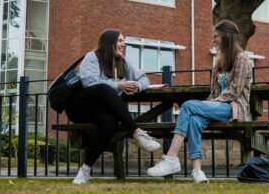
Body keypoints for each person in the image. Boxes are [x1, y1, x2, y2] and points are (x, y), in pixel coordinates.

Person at [147, 20, 252, 183]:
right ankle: (197, 171)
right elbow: (214, 92)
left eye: (216, 36)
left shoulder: (242, 59)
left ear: (227, 36)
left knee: (188, 106)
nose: (213, 39)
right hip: (217, 106)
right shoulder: (219, 63)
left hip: (233, 108)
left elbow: (234, 91)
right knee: (194, 120)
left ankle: (171, 158)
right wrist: (209, 104)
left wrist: (212, 104)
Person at [66, 28, 161, 184]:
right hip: (81, 107)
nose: (123, 44)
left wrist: (137, 86)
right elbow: (89, 81)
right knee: (104, 88)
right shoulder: (92, 57)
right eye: (120, 40)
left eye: (124, 41)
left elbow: (145, 79)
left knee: (109, 122)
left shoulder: (122, 62)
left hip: (101, 110)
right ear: (109, 42)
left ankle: (85, 170)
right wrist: (119, 85)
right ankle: (137, 132)